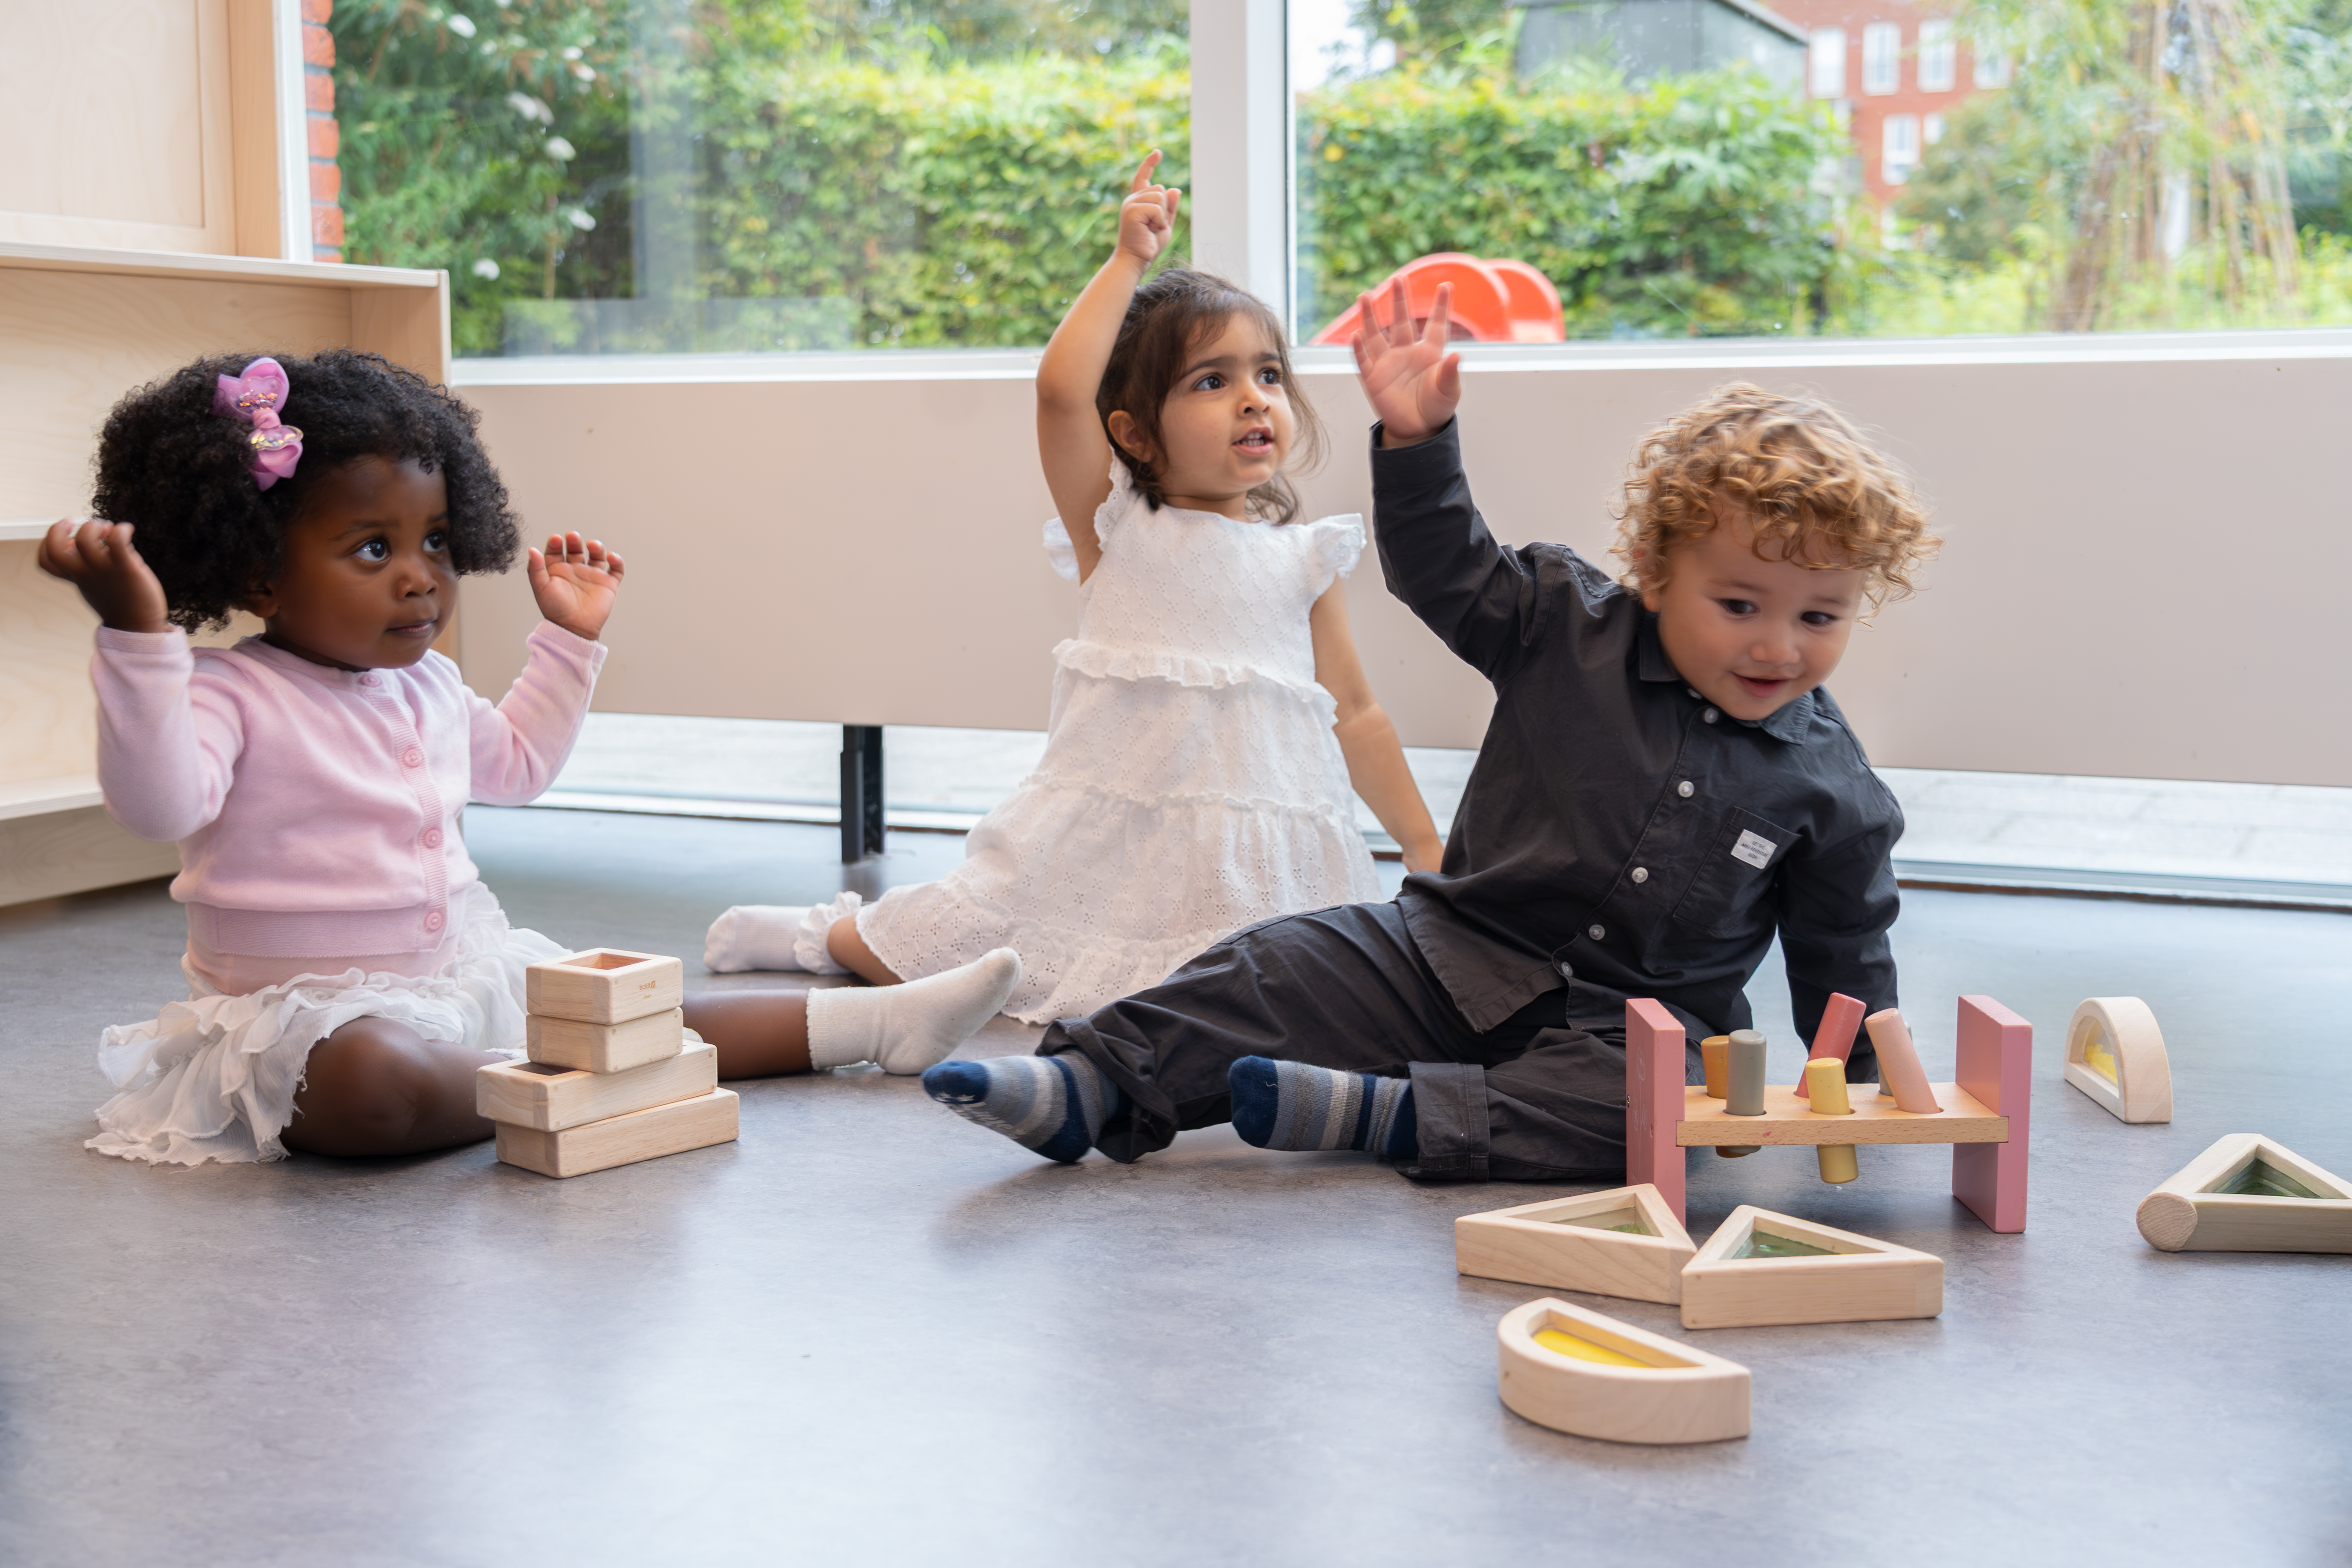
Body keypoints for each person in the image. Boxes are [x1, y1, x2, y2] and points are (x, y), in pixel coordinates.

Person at [921, 278, 1940, 1180]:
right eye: (1739, 606)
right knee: (1270, 965)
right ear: (1658, 572)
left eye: (1819, 617)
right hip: (1448, 950)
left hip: (1635, 1029)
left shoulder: (1832, 786)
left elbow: (1842, 947)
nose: (1777, 647)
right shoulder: (1562, 622)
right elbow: (1445, 569)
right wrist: (1415, 444)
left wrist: (1858, 1077)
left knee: (1657, 1112)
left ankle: (1393, 1116)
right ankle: (1093, 1085)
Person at [46, 351, 1013, 1166]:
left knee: (638, 995)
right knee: (372, 1087)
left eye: (433, 540)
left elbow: (514, 767)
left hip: (460, 976)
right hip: (311, 1023)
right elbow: (158, 804)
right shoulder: (225, 693)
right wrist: (138, 643)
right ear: (258, 569)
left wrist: (566, 644)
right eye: (372, 550)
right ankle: (606, 1088)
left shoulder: (424, 684)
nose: (423, 576)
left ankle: (876, 1027)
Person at [693, 151, 1440, 1069]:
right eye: (1211, 382)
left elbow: (1355, 714)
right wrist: (1126, 261)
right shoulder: (1120, 527)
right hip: (1098, 847)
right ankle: (822, 938)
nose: (1254, 398)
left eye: (1269, 376)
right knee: (964, 937)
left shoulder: (1303, 559)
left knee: (1271, 988)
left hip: (1255, 856)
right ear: (1131, 431)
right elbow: (1058, 392)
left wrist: (1421, 844)